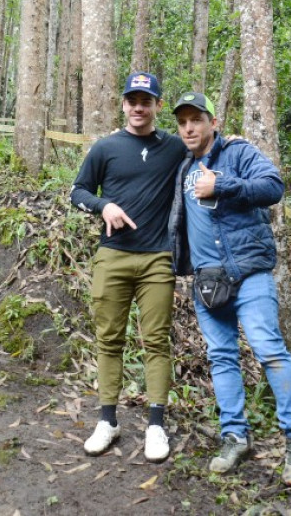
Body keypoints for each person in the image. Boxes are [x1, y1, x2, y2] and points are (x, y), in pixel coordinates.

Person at [169, 92, 291, 484]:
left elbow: (273, 187)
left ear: (213, 122)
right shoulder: (181, 165)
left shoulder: (238, 152)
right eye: (182, 122)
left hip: (248, 272)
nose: (189, 128)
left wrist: (223, 185)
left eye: (196, 119)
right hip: (206, 281)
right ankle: (235, 435)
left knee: (268, 349)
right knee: (221, 357)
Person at [69, 72, 185, 462]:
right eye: (132, 100)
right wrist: (104, 205)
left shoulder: (173, 148)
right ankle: (107, 420)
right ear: (123, 104)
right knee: (109, 339)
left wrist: (231, 142)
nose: (138, 107)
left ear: (157, 106)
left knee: (156, 340)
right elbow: (77, 191)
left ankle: (156, 425)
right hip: (113, 255)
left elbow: (206, 148)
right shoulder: (105, 148)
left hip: (157, 258)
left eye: (146, 101)